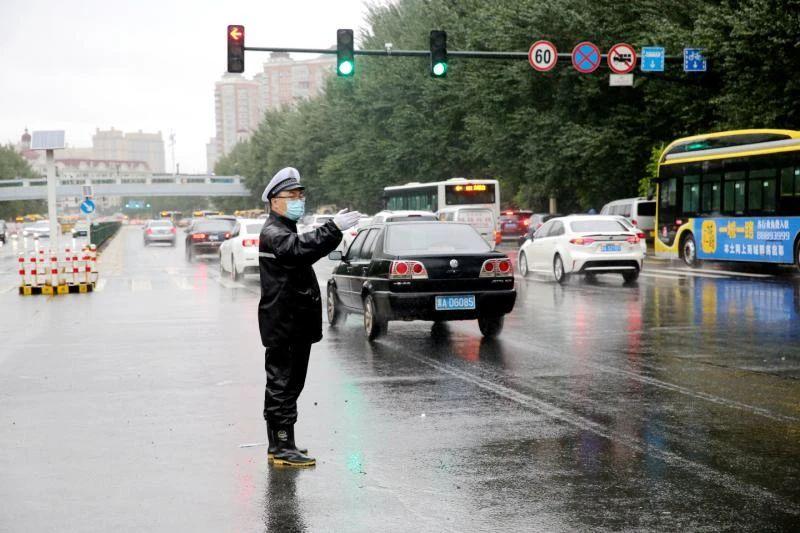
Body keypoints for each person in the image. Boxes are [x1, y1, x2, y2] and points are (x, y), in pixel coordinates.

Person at [258, 167, 361, 467]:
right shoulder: (274, 232)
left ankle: (283, 443)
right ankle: (280, 446)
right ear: (275, 201)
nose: (298, 200)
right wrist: (333, 228)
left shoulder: (283, 229)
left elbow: (304, 250)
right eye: (292, 196)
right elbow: (299, 250)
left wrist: (331, 230)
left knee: (290, 385)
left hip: (291, 322)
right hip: (285, 323)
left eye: (301, 195)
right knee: (282, 385)